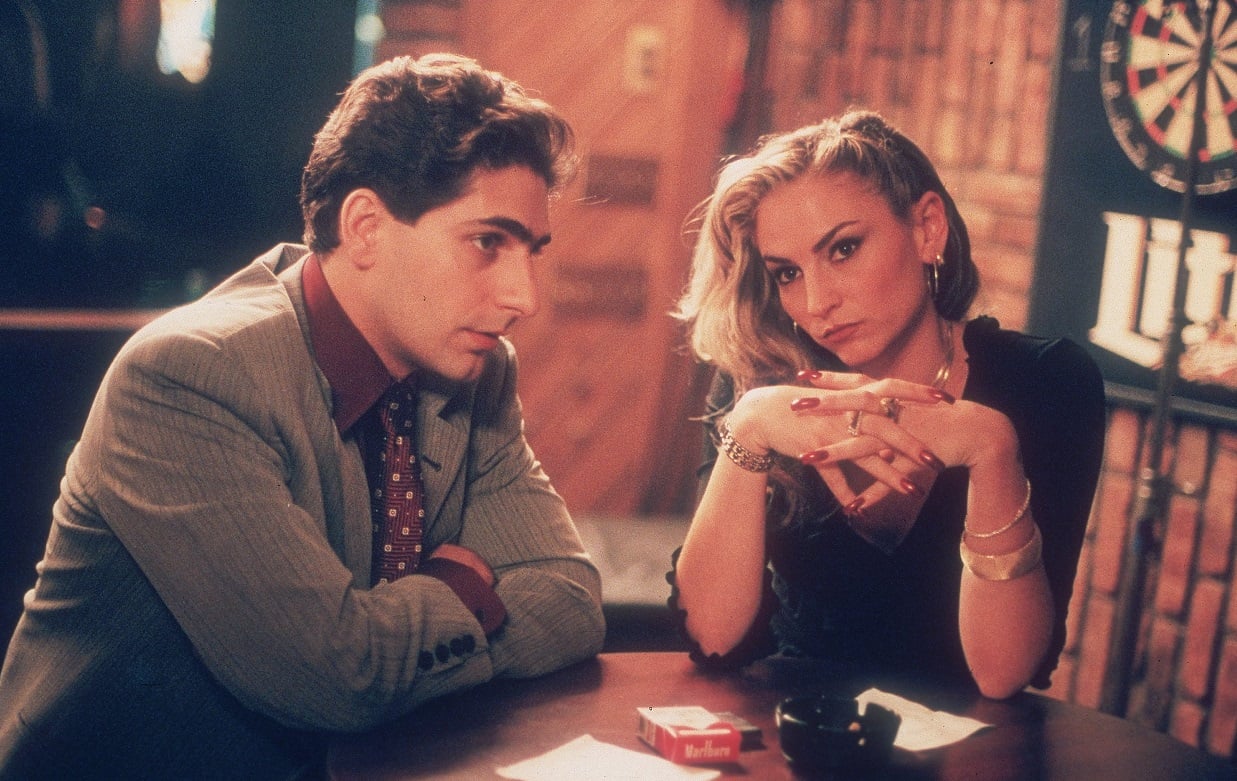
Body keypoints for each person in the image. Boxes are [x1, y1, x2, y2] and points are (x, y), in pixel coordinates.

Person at [0, 53, 605, 780]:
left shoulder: (477, 372)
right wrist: (460, 591)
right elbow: (336, 678)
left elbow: (570, 598)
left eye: (531, 252)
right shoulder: (190, 374)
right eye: (487, 243)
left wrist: (384, 640)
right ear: (365, 227)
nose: (523, 298)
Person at [668, 110, 1105, 699]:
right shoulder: (759, 381)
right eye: (788, 273)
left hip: (970, 742)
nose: (817, 301)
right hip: (791, 730)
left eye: (843, 249)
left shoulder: (1044, 381)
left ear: (927, 228)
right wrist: (746, 428)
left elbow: (1003, 673)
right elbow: (713, 637)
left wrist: (992, 450)